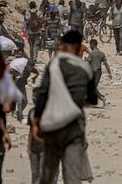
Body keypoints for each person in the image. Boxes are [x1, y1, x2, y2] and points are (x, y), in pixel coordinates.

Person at [33, 29, 99, 184]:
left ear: (63, 46)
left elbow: (42, 94)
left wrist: (36, 121)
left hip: (54, 126)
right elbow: (92, 100)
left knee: (48, 173)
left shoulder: (53, 65)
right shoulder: (85, 69)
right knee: (72, 176)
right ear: (78, 47)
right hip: (75, 127)